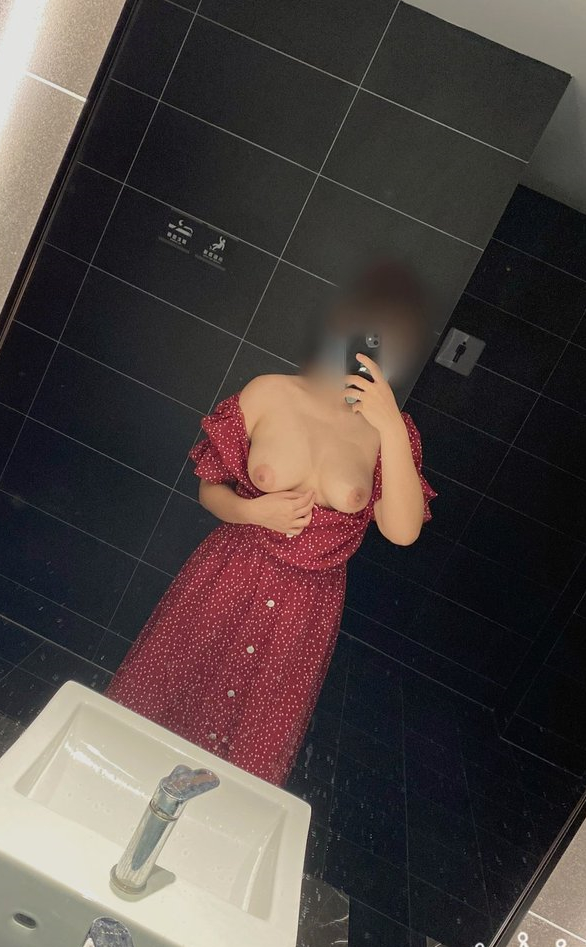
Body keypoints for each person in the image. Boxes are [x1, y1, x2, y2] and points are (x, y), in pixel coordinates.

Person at [105, 260, 437, 786]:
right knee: (163, 697)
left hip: (306, 607)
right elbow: (209, 488)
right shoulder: (269, 393)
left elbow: (402, 531)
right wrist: (252, 511)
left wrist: (392, 427)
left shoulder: (391, 432)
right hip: (229, 574)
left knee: (251, 746)